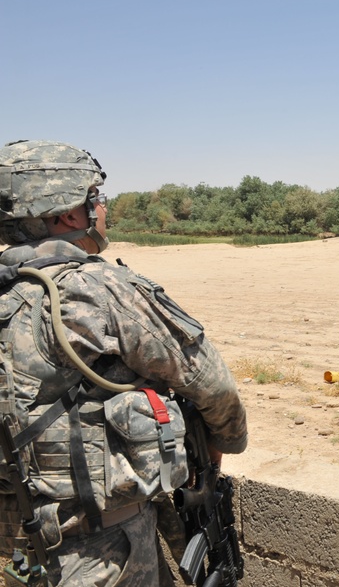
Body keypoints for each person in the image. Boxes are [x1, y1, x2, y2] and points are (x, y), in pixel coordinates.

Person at [0, 140, 248, 586]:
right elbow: (213, 386)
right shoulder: (98, 289)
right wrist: (220, 447)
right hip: (103, 550)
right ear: (68, 215)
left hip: (18, 543)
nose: (103, 209)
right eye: (95, 199)